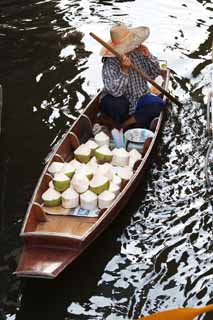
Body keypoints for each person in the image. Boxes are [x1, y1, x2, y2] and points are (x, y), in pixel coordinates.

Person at [99, 23, 166, 130]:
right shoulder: (110, 62)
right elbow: (116, 92)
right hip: (118, 100)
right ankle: (122, 121)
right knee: (118, 105)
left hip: (140, 97)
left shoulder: (139, 53)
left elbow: (154, 74)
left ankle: (124, 124)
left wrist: (148, 56)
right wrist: (124, 70)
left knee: (158, 104)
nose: (132, 46)